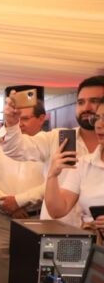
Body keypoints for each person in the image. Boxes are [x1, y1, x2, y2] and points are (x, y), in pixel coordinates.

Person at [2, 76, 104, 225]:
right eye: (81, 102)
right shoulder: (59, 139)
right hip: (58, 233)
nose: (86, 108)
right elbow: (16, 149)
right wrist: (11, 124)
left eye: (94, 101)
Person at [0, 103, 46, 283]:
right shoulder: (0, 146)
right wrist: (6, 203)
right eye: (16, 119)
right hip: (2, 220)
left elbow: (54, 184)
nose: (19, 124)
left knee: (32, 279)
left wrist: (18, 201)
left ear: (42, 118)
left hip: (36, 221)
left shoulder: (50, 144)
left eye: (25, 118)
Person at [45, 101, 104, 239]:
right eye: (97, 118)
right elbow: (58, 210)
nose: (98, 125)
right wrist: (52, 175)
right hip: (94, 247)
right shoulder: (84, 163)